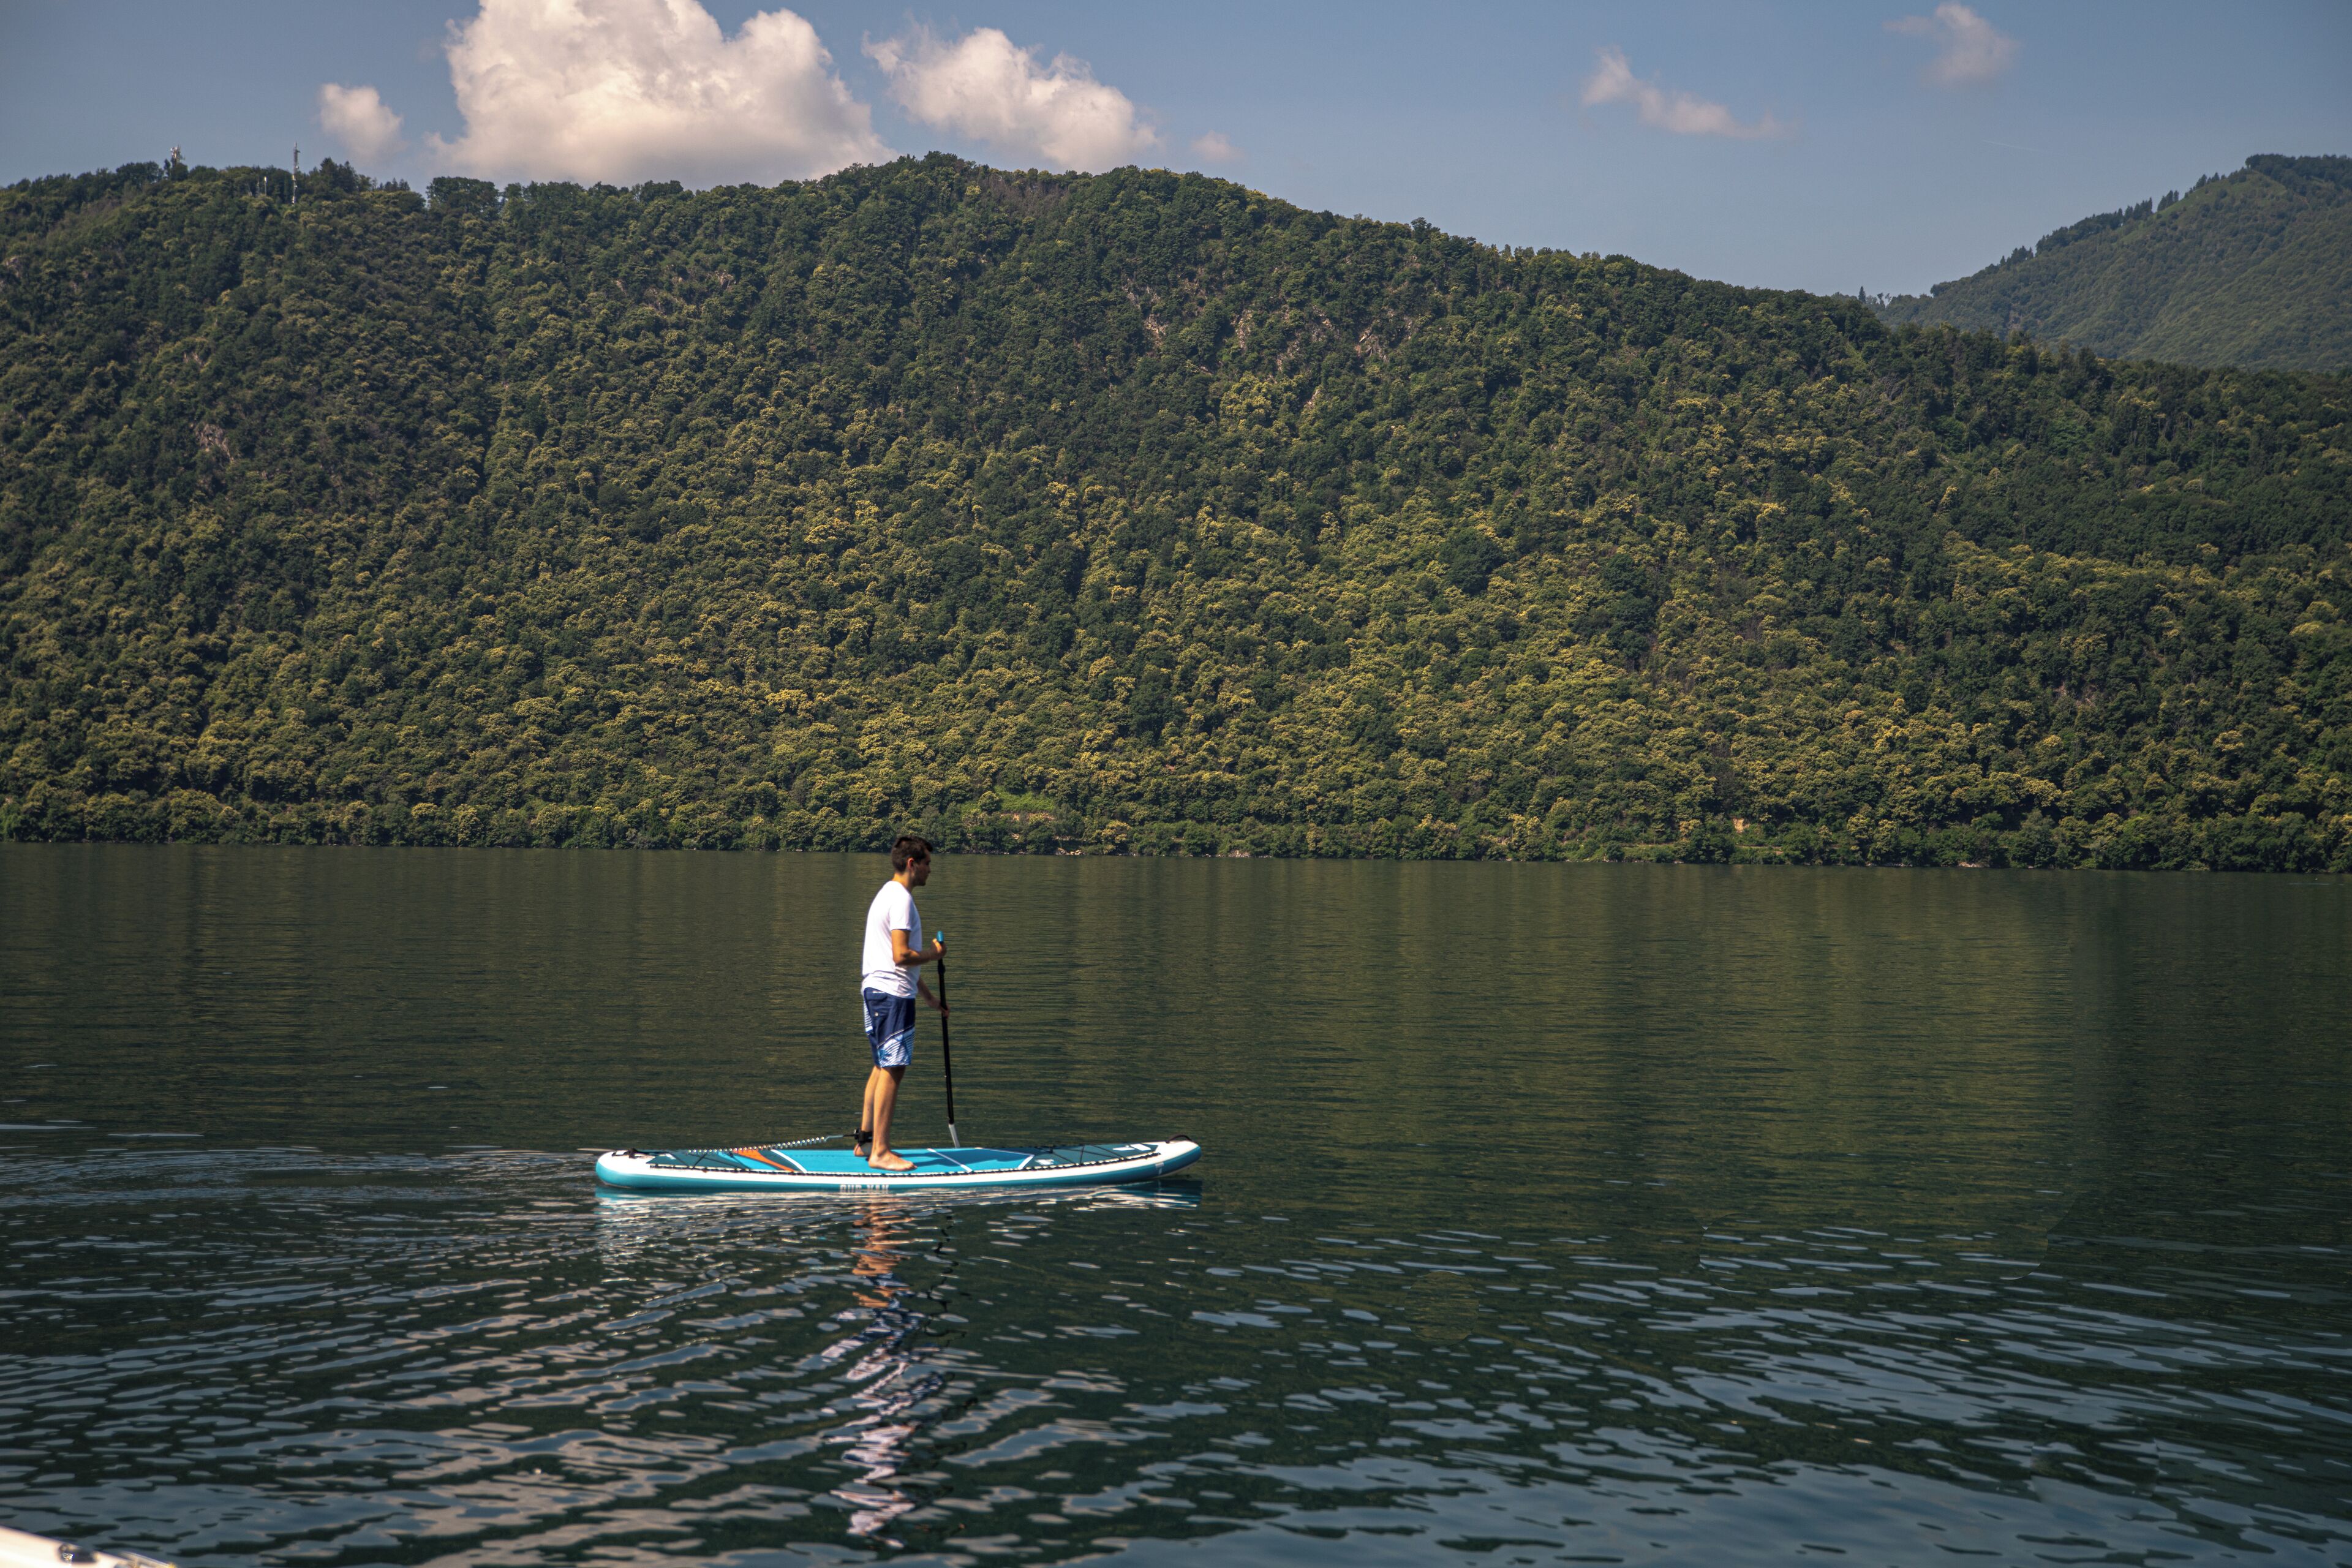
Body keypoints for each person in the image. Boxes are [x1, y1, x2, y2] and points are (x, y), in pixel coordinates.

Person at [857, 835, 946, 1171]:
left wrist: (928, 998)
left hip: (878, 990)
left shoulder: (886, 894)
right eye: (927, 863)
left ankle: (864, 1143)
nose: (929, 870)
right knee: (894, 1068)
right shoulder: (902, 900)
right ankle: (881, 1152)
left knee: (882, 1065)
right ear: (912, 864)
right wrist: (935, 954)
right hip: (891, 996)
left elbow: (893, 961)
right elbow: (901, 956)